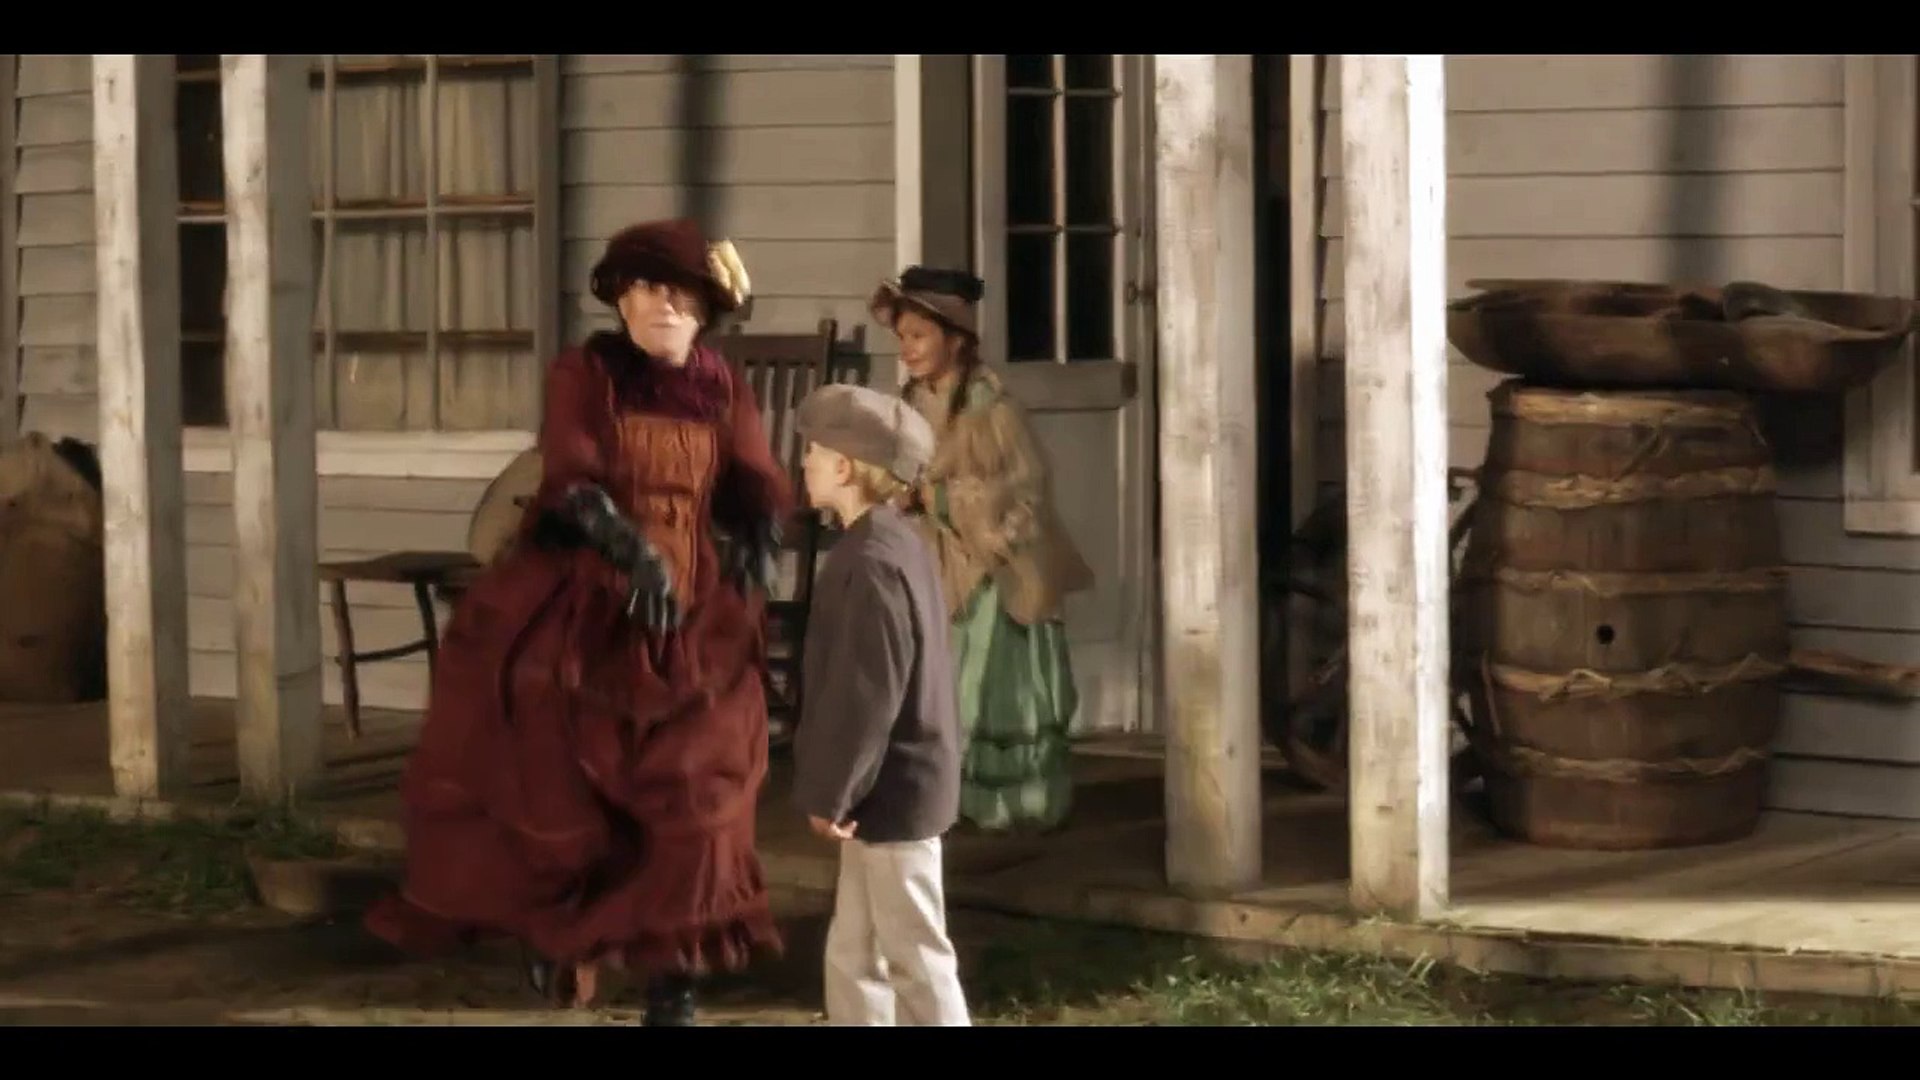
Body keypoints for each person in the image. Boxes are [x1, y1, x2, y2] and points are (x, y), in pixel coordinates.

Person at [362, 218, 793, 1027]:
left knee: (700, 790)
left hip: (694, 612)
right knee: (551, 747)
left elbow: (754, 477)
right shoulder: (587, 373)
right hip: (592, 591)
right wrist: (630, 553)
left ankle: (674, 979)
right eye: (645, 290)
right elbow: (571, 472)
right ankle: (561, 929)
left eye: (679, 293)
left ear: (705, 309)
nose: (662, 305)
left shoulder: (721, 384)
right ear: (620, 302)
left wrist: (759, 540)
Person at [868, 266, 1094, 834]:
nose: (907, 348)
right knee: (929, 675)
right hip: (932, 560)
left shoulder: (990, 410)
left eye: (919, 335)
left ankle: (1004, 798)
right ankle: (941, 789)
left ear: (956, 340)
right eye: (902, 336)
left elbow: (1022, 490)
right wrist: (897, 493)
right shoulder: (910, 403)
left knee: (981, 675)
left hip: (992, 565)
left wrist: (942, 498)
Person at [788, 381, 971, 1026]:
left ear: (844, 467)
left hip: (892, 794)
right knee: (856, 951)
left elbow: (866, 696)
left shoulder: (869, 562)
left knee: (916, 956)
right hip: (883, 795)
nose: (804, 463)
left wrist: (834, 791)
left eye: (813, 452)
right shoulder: (890, 541)